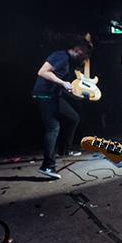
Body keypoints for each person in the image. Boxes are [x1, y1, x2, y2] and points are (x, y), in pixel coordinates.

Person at [32, 37, 92, 179]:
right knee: (53, 128)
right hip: (44, 96)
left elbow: (61, 81)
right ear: (77, 49)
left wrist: (71, 90)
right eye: (83, 54)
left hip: (54, 96)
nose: (84, 58)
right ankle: (47, 166)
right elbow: (42, 72)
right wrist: (63, 83)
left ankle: (64, 150)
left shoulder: (69, 61)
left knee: (73, 118)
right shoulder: (61, 56)